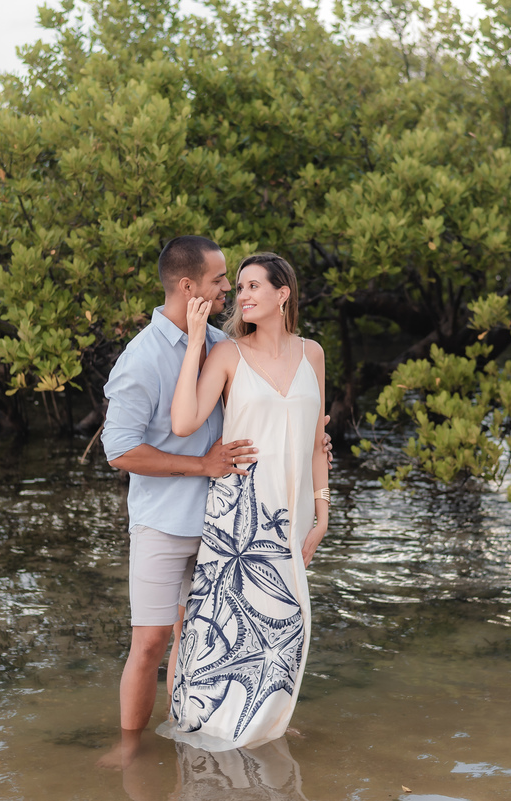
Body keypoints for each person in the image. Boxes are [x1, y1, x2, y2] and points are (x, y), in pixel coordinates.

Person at [101, 238, 331, 768]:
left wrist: (319, 495)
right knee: (153, 639)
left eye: (244, 282)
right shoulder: (149, 354)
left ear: (282, 295)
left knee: (205, 637)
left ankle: (197, 730)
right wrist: (202, 464)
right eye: (224, 280)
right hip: (167, 518)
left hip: (226, 514)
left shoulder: (252, 346)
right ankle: (131, 749)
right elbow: (120, 449)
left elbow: (303, 424)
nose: (230, 289)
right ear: (189, 288)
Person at [163, 252, 328, 750]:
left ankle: (264, 726)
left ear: (284, 294)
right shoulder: (228, 354)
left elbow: (317, 438)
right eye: (239, 287)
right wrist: (195, 342)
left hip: (291, 511)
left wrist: (322, 515)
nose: (244, 295)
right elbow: (184, 422)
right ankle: (214, 732)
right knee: (227, 622)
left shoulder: (313, 353)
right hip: (238, 510)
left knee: (287, 623)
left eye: (255, 286)